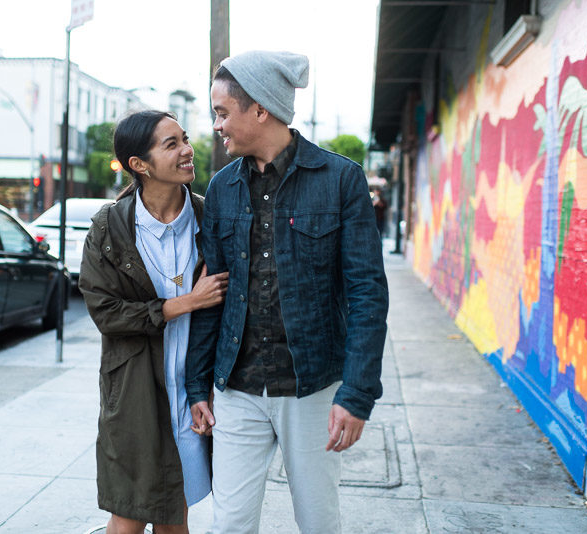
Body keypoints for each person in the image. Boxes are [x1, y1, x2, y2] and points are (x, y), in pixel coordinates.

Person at [186, 51, 389, 534]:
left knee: (318, 521)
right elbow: (213, 294)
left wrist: (357, 393)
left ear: (260, 109)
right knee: (228, 525)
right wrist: (198, 385)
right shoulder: (222, 188)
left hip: (313, 384)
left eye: (222, 112)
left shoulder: (341, 179)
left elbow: (367, 292)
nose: (216, 125)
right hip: (237, 386)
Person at [79, 110, 230, 534]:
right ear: (139, 164)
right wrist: (183, 303)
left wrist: (214, 385)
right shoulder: (111, 226)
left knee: (174, 516)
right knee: (128, 516)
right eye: (171, 144)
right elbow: (105, 312)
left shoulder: (209, 219)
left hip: (194, 392)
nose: (187, 150)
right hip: (135, 391)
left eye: (185, 139)